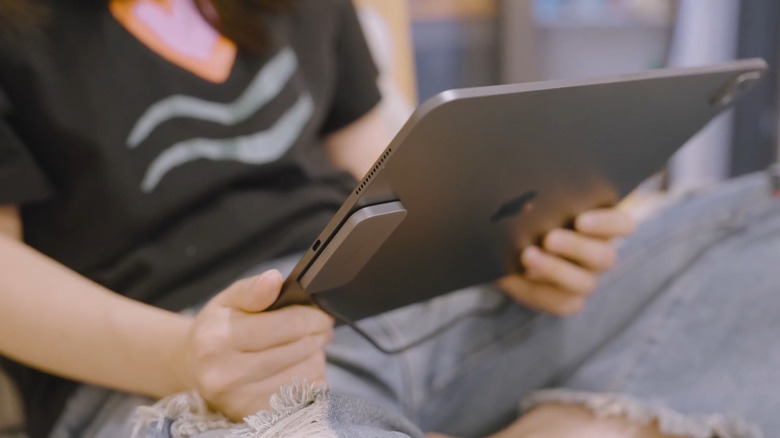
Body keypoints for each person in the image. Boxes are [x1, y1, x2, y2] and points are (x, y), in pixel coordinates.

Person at [0, 1, 778, 437]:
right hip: (176, 359)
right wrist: (185, 356)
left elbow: (388, 162)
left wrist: (519, 240)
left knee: (764, 222)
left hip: (390, 300)